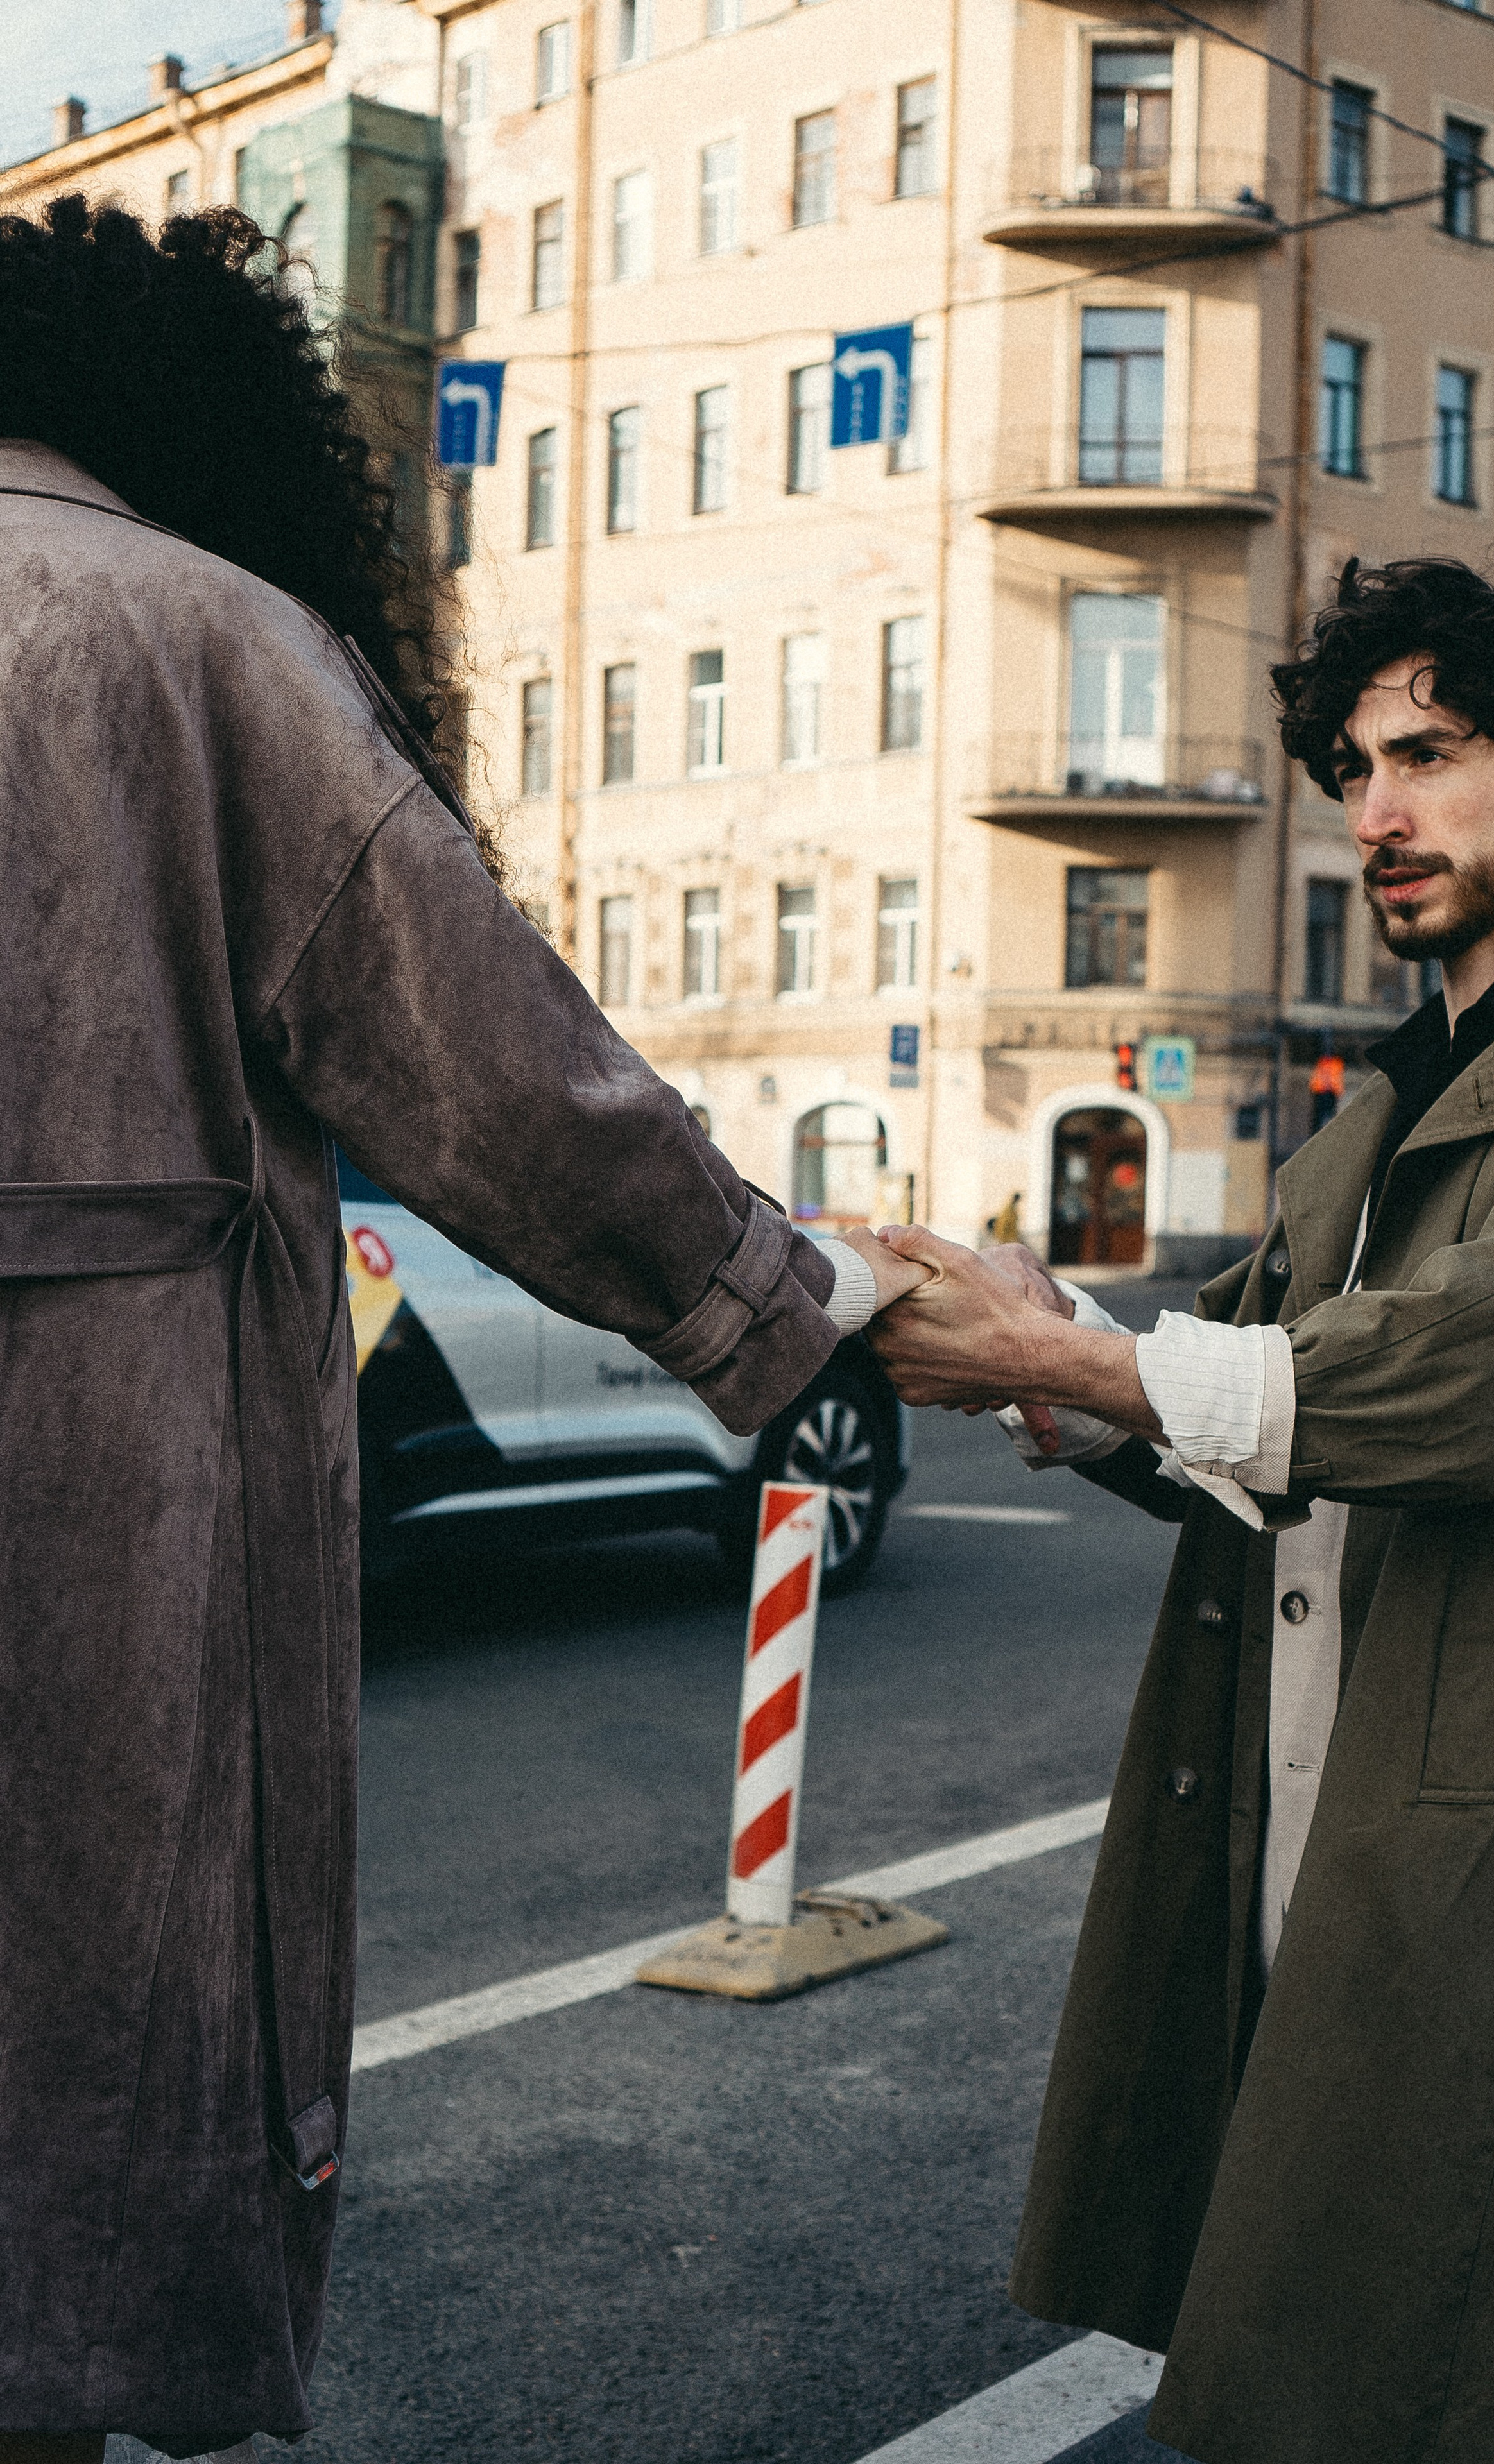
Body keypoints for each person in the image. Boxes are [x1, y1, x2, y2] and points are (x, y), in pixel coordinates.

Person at [0, 196, 922, 2464]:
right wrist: (777, 1322)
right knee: (62, 2149)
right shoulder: (195, 636)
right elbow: (497, 1064)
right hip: (96, 1531)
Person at [868, 557, 1494, 2464]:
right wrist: (1043, 1351)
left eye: (1431, 755)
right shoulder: (1374, 1113)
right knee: (1332, 2329)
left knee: (1474, 2342)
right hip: (1314, 1802)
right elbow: (1239, 1402)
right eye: (1354, 768)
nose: (1376, 812)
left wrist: (1091, 1370)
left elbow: (1471, 1373)